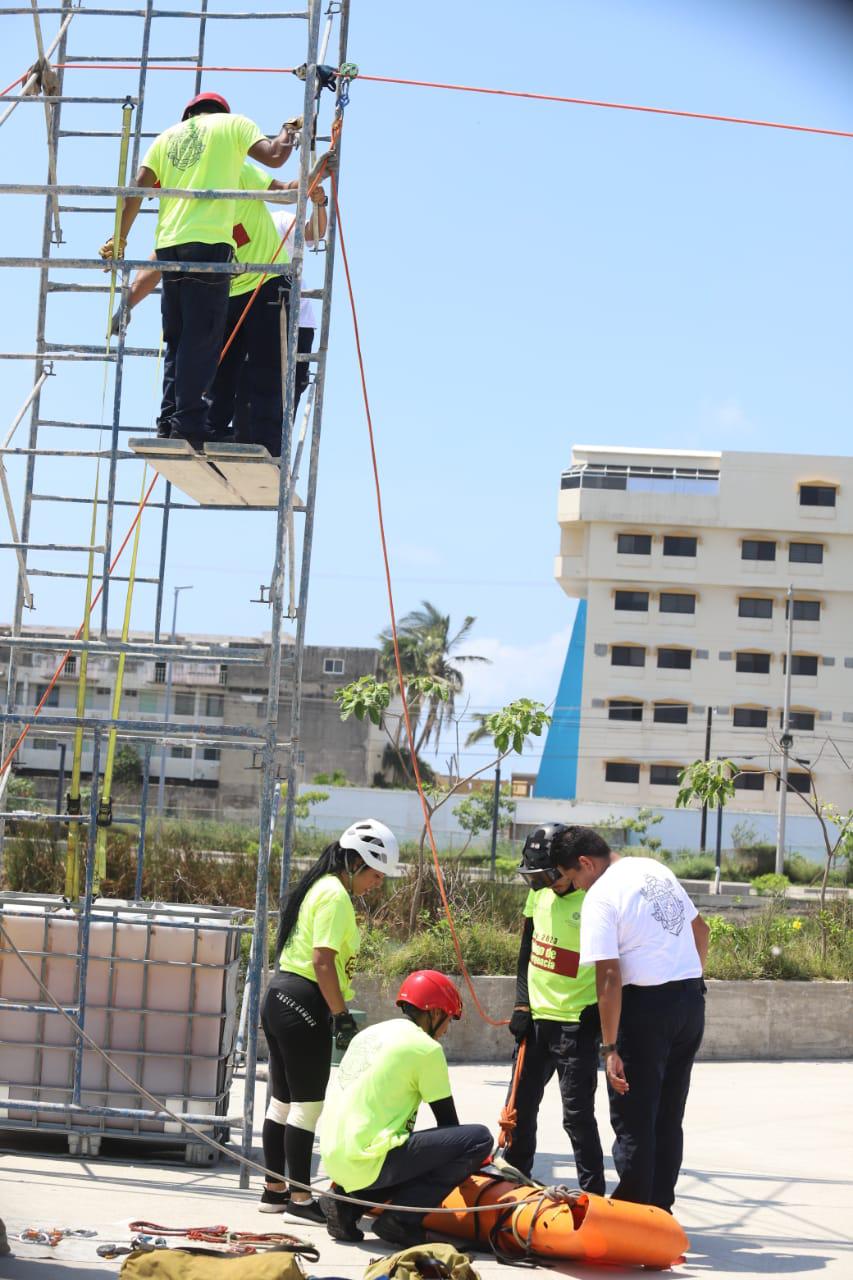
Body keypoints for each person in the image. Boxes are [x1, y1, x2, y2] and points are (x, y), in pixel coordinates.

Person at [100, 91, 297, 447]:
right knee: (203, 338)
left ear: (188, 115)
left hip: (170, 245)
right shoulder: (232, 127)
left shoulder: (165, 138)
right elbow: (276, 158)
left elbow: (135, 190)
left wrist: (119, 237)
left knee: (177, 338)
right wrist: (288, 132)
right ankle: (188, 425)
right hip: (208, 245)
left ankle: (169, 420)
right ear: (222, 113)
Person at [259, 818, 402, 1224]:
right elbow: (323, 961)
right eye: (375, 875)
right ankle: (300, 1202)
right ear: (355, 863)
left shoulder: (319, 889)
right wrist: (340, 1015)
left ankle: (274, 1192)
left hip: (280, 996)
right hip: (304, 998)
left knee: (283, 1103)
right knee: (308, 1107)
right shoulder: (335, 896)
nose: (377, 884)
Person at [562, 827, 709, 1212]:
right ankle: (661, 1212)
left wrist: (610, 1047)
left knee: (634, 1119)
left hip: (646, 1012)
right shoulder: (652, 868)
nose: (577, 888)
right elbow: (701, 929)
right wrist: (692, 982)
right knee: (668, 1115)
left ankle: (633, 1218)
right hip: (690, 1003)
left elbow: (609, 976)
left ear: (585, 864)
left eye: (574, 879)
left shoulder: (601, 896)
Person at [319, 970, 494, 1248]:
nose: (447, 1030)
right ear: (435, 1013)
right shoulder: (425, 1048)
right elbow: (450, 1126)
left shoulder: (370, 1034)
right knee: (478, 1139)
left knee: (401, 1146)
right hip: (369, 1161)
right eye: (448, 1019)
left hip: (335, 1160)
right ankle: (399, 1221)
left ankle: (345, 1206)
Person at [502, 824, 604, 1194]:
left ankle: (593, 1194)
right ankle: (514, 1184)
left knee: (576, 1118)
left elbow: (614, 966)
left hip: (576, 1025)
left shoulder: (594, 899)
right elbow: (527, 949)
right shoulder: (540, 895)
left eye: (549, 876)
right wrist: (520, 1003)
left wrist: (600, 1016)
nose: (544, 885)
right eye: (536, 879)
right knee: (519, 1111)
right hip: (536, 1024)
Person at [208, 164, 329, 455]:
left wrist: (319, 202)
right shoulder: (221, 225)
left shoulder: (278, 219)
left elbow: (314, 233)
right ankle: (242, 440)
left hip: (292, 316)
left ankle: (268, 444)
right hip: (246, 309)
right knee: (241, 378)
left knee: (282, 382)